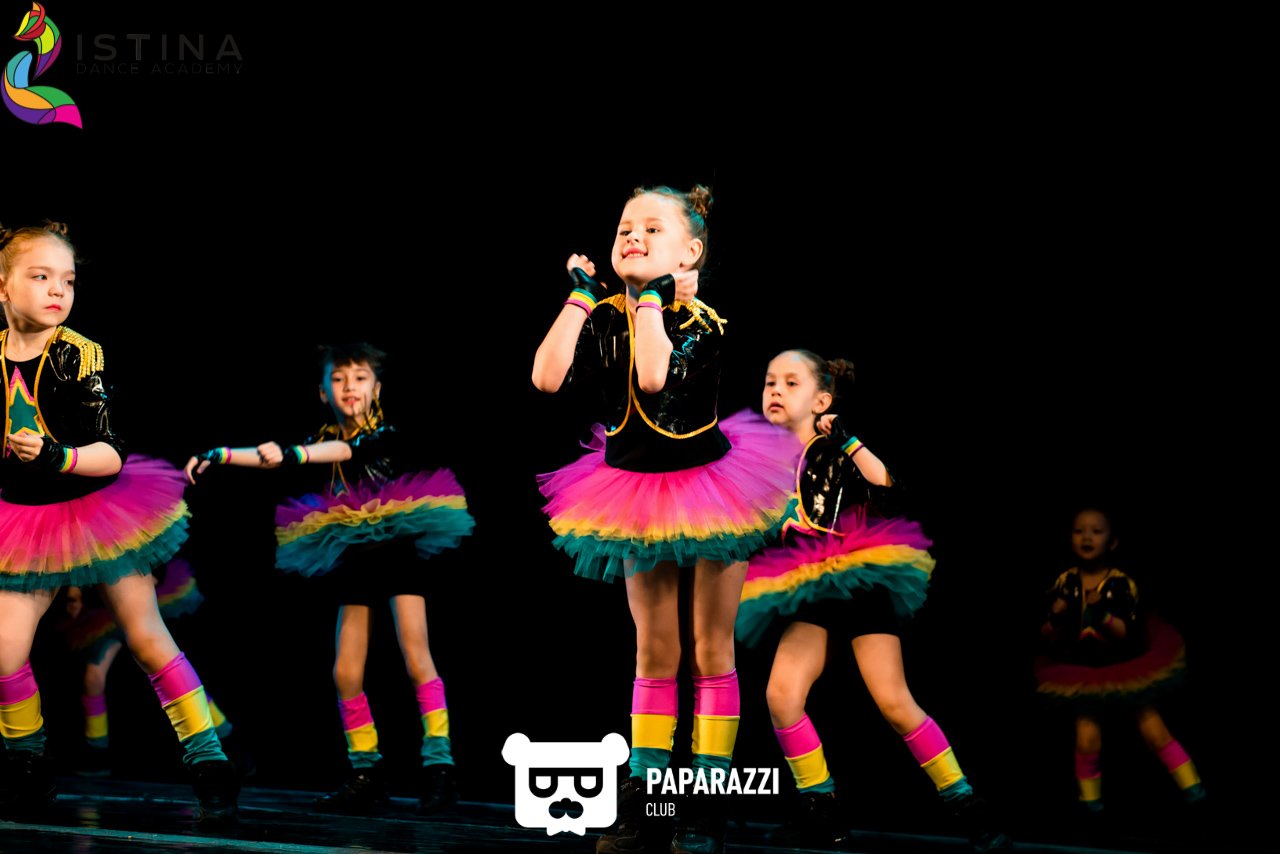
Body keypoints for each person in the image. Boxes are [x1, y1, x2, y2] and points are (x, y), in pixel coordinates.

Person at [533, 185, 797, 854]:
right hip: (634, 495)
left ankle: (704, 802)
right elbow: (545, 378)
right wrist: (579, 297)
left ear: (690, 253)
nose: (634, 235)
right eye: (627, 225)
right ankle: (647, 797)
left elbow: (653, 377)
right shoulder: (603, 317)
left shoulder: (701, 321)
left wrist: (651, 296)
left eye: (654, 228)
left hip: (714, 494)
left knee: (710, 649)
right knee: (655, 650)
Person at [0, 221, 238, 822]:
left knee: (146, 636)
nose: (58, 290)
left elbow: (110, 453)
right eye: (40, 276)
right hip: (23, 519)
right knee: (4, 650)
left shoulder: (78, 354)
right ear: (2, 286)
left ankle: (209, 760)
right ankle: (27, 764)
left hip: (95, 512)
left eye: (67, 280)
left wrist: (55, 455)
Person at [736, 349, 1010, 852]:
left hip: (858, 583)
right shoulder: (760, 461)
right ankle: (821, 806)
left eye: (791, 383)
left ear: (822, 401)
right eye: (770, 381)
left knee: (894, 702)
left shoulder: (835, 449)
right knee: (781, 696)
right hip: (810, 591)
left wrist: (850, 441)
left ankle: (968, 806)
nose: (775, 390)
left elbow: (890, 491)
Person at [186, 342, 474, 815]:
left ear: (376, 388)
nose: (349, 388)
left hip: (395, 546)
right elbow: (276, 456)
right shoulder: (319, 437)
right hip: (354, 553)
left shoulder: (381, 433)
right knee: (345, 671)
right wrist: (220, 453)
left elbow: (344, 449)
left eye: (359, 378)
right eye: (338, 380)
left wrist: (292, 453)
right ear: (323, 392)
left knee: (416, 656)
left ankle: (440, 768)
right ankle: (366, 772)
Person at [1036, 507, 1206, 815]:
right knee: (1087, 738)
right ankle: (1091, 806)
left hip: (1124, 665)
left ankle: (1195, 791)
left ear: (1112, 542)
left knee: (1154, 730)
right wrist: (1055, 618)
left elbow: (1128, 635)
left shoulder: (1120, 584)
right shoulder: (1065, 582)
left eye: (1096, 531)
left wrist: (1102, 613)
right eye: (1079, 531)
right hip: (1083, 670)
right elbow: (1047, 635)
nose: (1087, 537)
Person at [59, 560, 240, 777]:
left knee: (170, 670)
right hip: (100, 607)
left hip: (130, 589)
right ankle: (96, 749)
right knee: (94, 677)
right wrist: (76, 594)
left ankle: (224, 739)